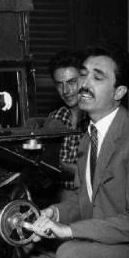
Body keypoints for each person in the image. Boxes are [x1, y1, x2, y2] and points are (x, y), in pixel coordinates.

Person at [21, 44, 129, 258]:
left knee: (72, 255)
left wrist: (70, 230)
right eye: (84, 74)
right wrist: (54, 212)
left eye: (97, 78)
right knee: (31, 247)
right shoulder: (90, 135)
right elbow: (81, 199)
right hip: (102, 240)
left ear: (119, 92)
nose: (83, 85)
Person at [45, 50, 89, 190]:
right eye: (59, 84)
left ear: (84, 80)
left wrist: (65, 168)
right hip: (58, 203)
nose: (65, 91)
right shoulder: (54, 118)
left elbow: (102, 175)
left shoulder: (97, 119)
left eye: (72, 82)